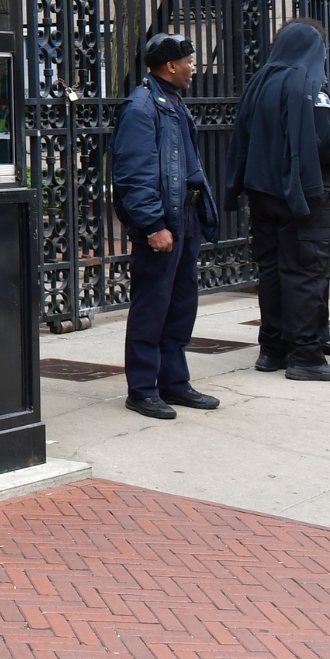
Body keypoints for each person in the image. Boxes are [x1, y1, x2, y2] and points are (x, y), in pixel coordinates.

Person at [111, 32, 222, 420]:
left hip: (184, 218)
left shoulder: (171, 101)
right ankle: (142, 389)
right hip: (163, 222)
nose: (194, 67)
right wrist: (153, 225)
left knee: (180, 304)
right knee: (152, 306)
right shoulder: (142, 107)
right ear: (171, 65)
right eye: (189, 61)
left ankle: (174, 382)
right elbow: (134, 177)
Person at [229, 20, 330, 382]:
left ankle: (272, 348)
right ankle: (306, 357)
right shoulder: (310, 85)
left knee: (273, 271)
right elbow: (325, 141)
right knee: (305, 273)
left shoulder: (258, 83)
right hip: (302, 195)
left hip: (262, 193)